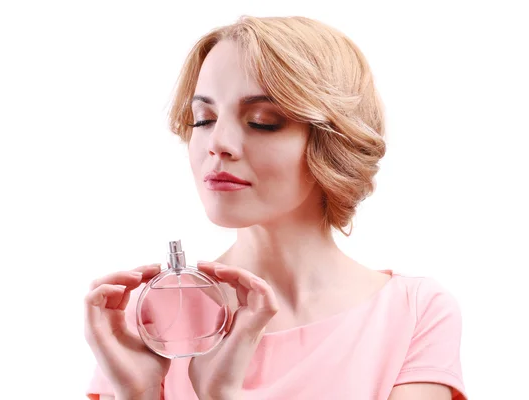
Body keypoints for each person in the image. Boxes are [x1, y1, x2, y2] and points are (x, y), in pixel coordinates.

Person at [83, 15, 466, 400]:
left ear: (331, 142)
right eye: (205, 119)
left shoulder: (414, 313)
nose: (219, 143)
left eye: (262, 121)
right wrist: (138, 393)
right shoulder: (147, 320)